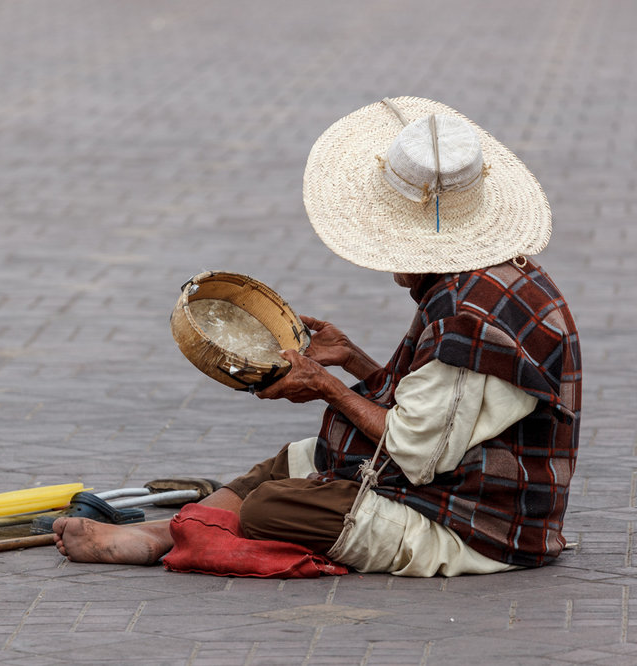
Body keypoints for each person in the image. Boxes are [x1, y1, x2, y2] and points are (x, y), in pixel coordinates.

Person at [53, 97, 582, 576]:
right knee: (297, 459)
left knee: (271, 506)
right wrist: (352, 359)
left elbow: (419, 452)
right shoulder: (493, 277)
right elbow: (443, 412)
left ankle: (173, 540)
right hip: (457, 477)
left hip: (478, 527)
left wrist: (328, 386)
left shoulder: (469, 313)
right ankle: (159, 538)